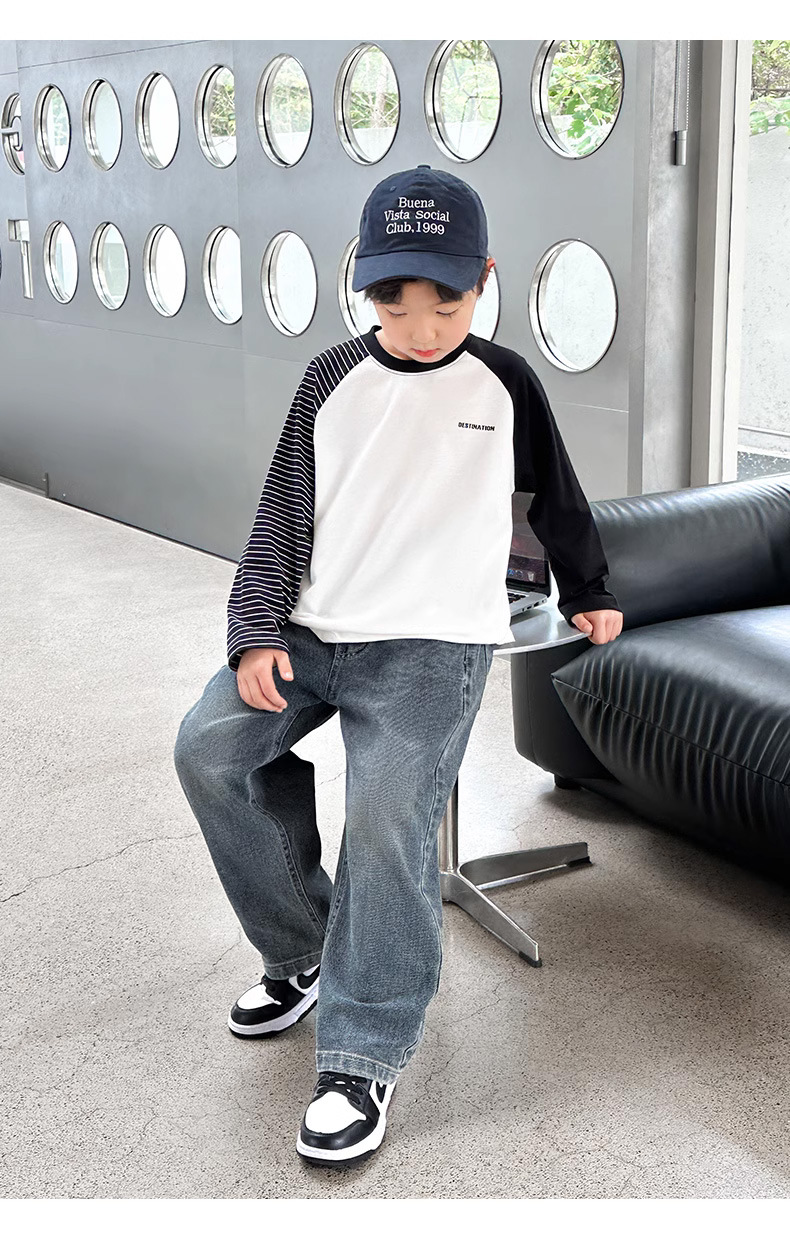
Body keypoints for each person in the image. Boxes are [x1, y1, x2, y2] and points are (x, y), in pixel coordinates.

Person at [173, 164, 623, 1169]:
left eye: (446, 304)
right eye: (394, 301)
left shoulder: (506, 382)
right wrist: (254, 631)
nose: (420, 328)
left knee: (385, 815)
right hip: (313, 632)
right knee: (209, 750)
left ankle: (360, 1055)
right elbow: (281, 515)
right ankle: (304, 950)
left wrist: (589, 588)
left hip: (431, 643)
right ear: (365, 284)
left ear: (484, 279)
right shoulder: (330, 377)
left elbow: (557, 495)